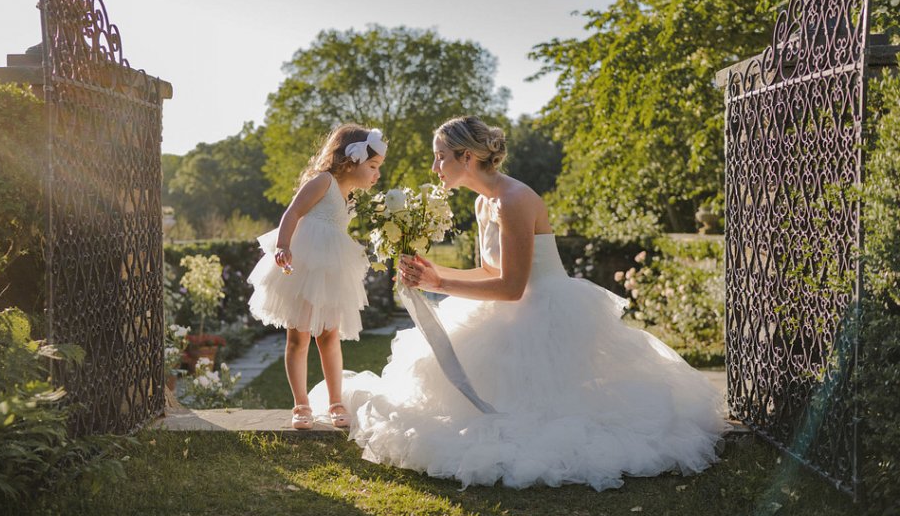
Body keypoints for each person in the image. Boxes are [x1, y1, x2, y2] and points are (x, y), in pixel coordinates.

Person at [309, 116, 727, 490]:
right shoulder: (481, 201)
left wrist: (442, 282)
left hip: (546, 312)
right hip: (509, 308)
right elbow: (491, 271)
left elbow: (513, 287)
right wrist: (436, 276)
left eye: (440, 157)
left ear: (466, 157)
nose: (435, 168)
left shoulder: (514, 200)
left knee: (542, 414)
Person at [248, 124, 386, 430]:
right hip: (305, 265)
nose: (376, 175)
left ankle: (335, 401)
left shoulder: (350, 196)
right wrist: (283, 245)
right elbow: (293, 212)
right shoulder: (323, 181)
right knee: (298, 337)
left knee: (329, 335)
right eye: (373, 166)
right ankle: (301, 404)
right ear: (352, 159)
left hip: (331, 271)